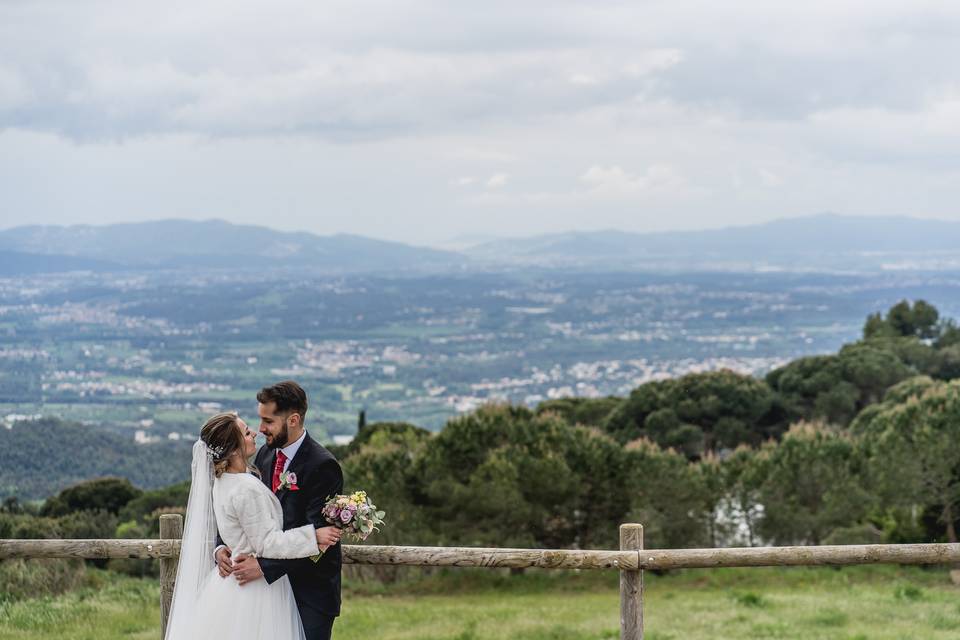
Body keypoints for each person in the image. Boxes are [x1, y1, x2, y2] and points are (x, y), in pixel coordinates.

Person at [164, 411, 342, 640]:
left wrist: (221, 549)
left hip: (231, 585)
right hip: (257, 590)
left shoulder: (223, 481)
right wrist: (313, 537)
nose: (255, 433)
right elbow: (268, 542)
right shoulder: (245, 488)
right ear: (235, 449)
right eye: (247, 432)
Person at [216, 381, 345, 640]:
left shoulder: (323, 466)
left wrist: (263, 567)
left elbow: (318, 539)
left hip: (309, 594)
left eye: (268, 421)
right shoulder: (265, 454)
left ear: (293, 420)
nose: (261, 429)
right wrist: (221, 547)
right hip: (266, 594)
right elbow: (242, 510)